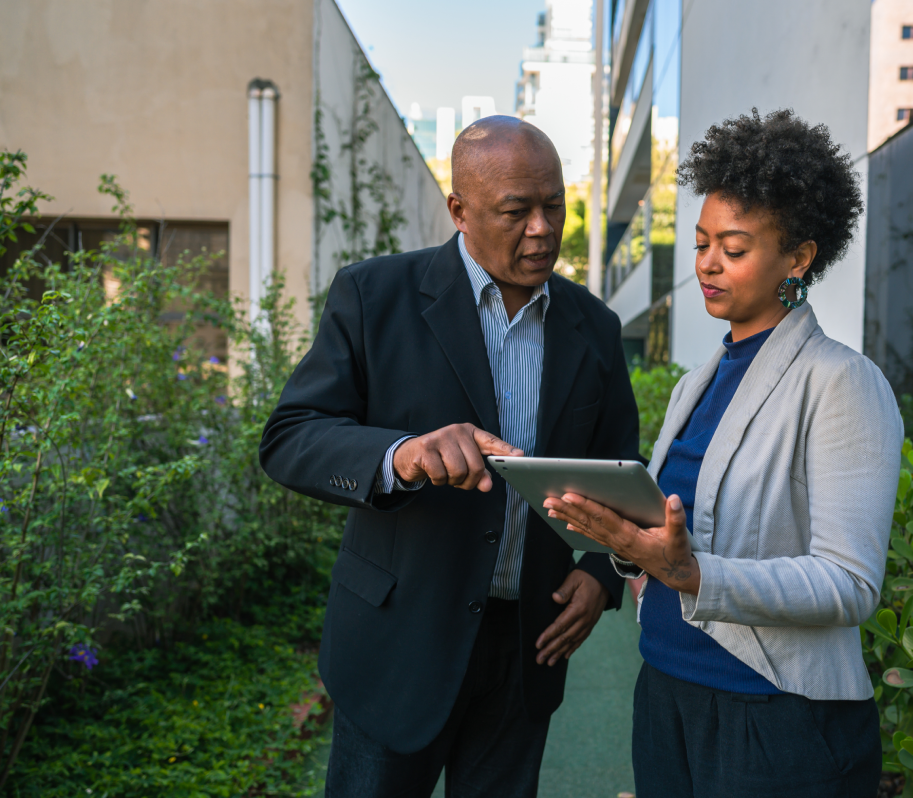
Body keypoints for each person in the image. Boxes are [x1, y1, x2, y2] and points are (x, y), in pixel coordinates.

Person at [259, 116, 639, 797]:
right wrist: (401, 454)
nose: (542, 229)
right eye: (516, 211)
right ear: (459, 211)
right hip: (397, 646)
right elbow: (290, 436)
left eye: (553, 205)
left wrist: (602, 575)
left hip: (528, 649)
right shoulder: (374, 296)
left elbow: (620, 468)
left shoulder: (596, 327)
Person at [544, 109, 903, 798]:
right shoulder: (696, 382)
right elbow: (672, 530)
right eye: (702, 242)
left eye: (733, 249)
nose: (707, 263)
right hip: (667, 693)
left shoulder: (842, 383)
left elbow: (849, 584)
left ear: (798, 257)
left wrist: (693, 574)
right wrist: (626, 543)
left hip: (775, 717)